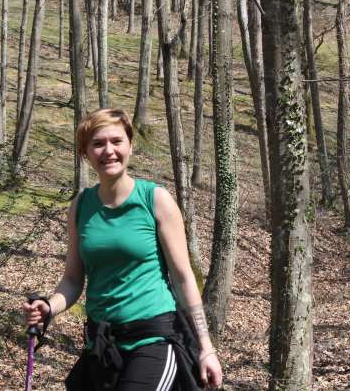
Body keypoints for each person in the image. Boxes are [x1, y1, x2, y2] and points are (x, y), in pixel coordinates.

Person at [23, 108, 223, 390]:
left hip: (154, 339)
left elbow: (183, 278)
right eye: (97, 143)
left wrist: (206, 347)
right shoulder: (81, 206)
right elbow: (72, 280)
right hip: (101, 344)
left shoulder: (155, 200)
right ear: (85, 153)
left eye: (116, 141)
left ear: (130, 145)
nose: (108, 151)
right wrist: (48, 307)